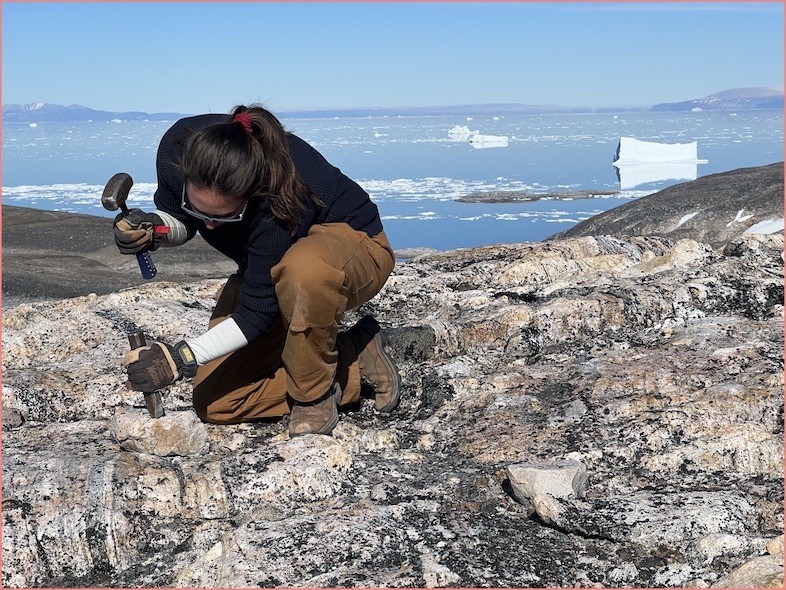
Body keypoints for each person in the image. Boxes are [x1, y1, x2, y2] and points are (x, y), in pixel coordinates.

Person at [114, 105, 399, 436]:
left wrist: (180, 358)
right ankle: (353, 358)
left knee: (302, 270)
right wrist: (154, 229)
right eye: (197, 208)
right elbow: (183, 220)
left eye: (223, 217)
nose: (209, 225)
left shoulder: (277, 197)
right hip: (273, 272)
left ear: (249, 196)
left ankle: (314, 395)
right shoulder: (177, 149)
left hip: (354, 253)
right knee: (217, 402)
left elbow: (254, 316)